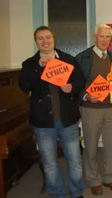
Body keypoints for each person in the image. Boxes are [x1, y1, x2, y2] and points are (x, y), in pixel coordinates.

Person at [19, 26, 85, 198]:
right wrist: (38, 69)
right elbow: (24, 86)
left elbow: (80, 81)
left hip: (67, 119)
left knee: (75, 161)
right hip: (43, 122)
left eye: (48, 37)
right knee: (50, 163)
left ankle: (77, 193)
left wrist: (72, 87)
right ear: (36, 42)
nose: (45, 41)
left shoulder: (68, 59)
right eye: (40, 38)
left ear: (54, 39)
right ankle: (57, 194)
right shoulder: (30, 64)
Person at [76, 23, 112, 196]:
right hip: (90, 109)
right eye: (101, 36)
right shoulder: (83, 57)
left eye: (108, 37)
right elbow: (76, 84)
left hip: (111, 109)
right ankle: (93, 179)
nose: (104, 40)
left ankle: (108, 176)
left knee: (111, 146)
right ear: (94, 37)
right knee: (91, 146)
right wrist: (86, 95)